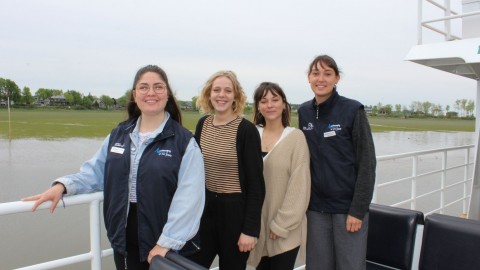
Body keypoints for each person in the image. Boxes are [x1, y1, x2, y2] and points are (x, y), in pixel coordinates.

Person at [22, 65, 205, 270]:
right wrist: (62, 186)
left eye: (158, 87)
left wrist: (167, 242)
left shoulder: (184, 142)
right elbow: (96, 173)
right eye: (143, 87)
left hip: (163, 242)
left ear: (168, 94)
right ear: (135, 95)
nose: (151, 93)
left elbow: (190, 197)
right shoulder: (119, 135)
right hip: (123, 236)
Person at [298, 55, 376, 270]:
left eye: (327, 73)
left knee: (350, 265)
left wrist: (358, 210)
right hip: (315, 209)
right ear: (309, 78)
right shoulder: (304, 112)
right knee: (318, 266)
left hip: (347, 210)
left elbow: (367, 163)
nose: (320, 79)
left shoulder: (352, 110)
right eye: (316, 73)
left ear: (337, 78)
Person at [189, 70, 265, 270]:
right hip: (205, 212)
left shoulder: (246, 131)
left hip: (235, 214)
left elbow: (256, 185)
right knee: (192, 265)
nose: (221, 95)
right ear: (209, 94)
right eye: (216, 90)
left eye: (227, 91)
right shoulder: (202, 124)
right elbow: (194, 171)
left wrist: (250, 230)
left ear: (236, 97)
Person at [247, 82, 311, 270]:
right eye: (264, 100)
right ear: (258, 106)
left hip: (284, 230)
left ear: (284, 104)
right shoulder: (251, 134)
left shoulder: (296, 138)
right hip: (255, 228)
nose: (270, 105)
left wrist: (281, 224)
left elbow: (300, 186)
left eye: (275, 100)